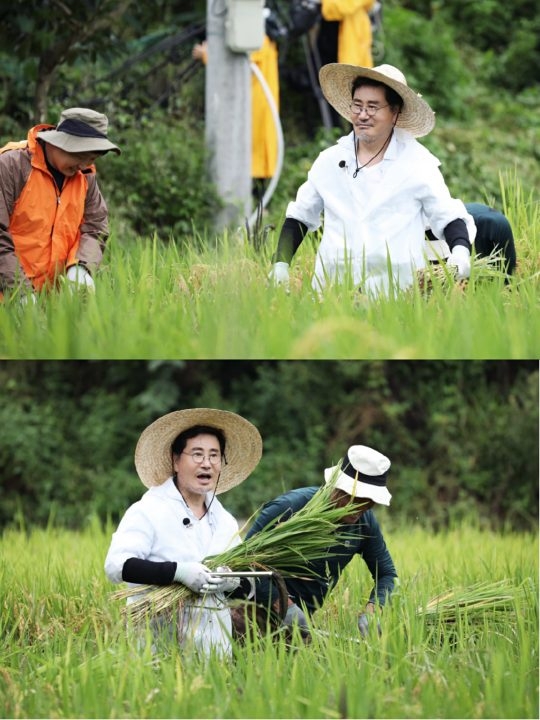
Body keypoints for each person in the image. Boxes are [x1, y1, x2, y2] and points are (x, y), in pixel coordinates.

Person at [268, 62, 477, 296]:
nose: (363, 115)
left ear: (394, 112)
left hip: (398, 293)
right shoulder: (330, 161)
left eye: (373, 107)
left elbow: (447, 216)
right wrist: (280, 264)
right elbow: (299, 217)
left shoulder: (418, 164)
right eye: (357, 106)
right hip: (333, 293)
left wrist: (460, 252)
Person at [104, 408, 263, 658]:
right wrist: (177, 572)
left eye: (214, 455)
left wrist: (232, 579)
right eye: (197, 454)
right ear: (176, 461)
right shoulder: (148, 510)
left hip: (214, 654)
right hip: (157, 652)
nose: (206, 463)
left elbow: (246, 585)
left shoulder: (225, 522)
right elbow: (116, 566)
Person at [244, 445, 397, 640]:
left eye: (368, 501)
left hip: (303, 623)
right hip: (249, 608)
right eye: (354, 498)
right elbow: (246, 559)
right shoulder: (291, 508)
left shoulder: (365, 523)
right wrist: (283, 606)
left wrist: (373, 611)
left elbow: (387, 574)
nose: (359, 508)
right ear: (337, 487)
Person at [0, 107, 120, 300]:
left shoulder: (85, 176)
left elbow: (95, 227)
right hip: (7, 299)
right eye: (80, 157)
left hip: (54, 306)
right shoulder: (11, 166)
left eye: (91, 159)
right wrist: (19, 293)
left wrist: (81, 267)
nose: (83, 165)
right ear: (60, 143)